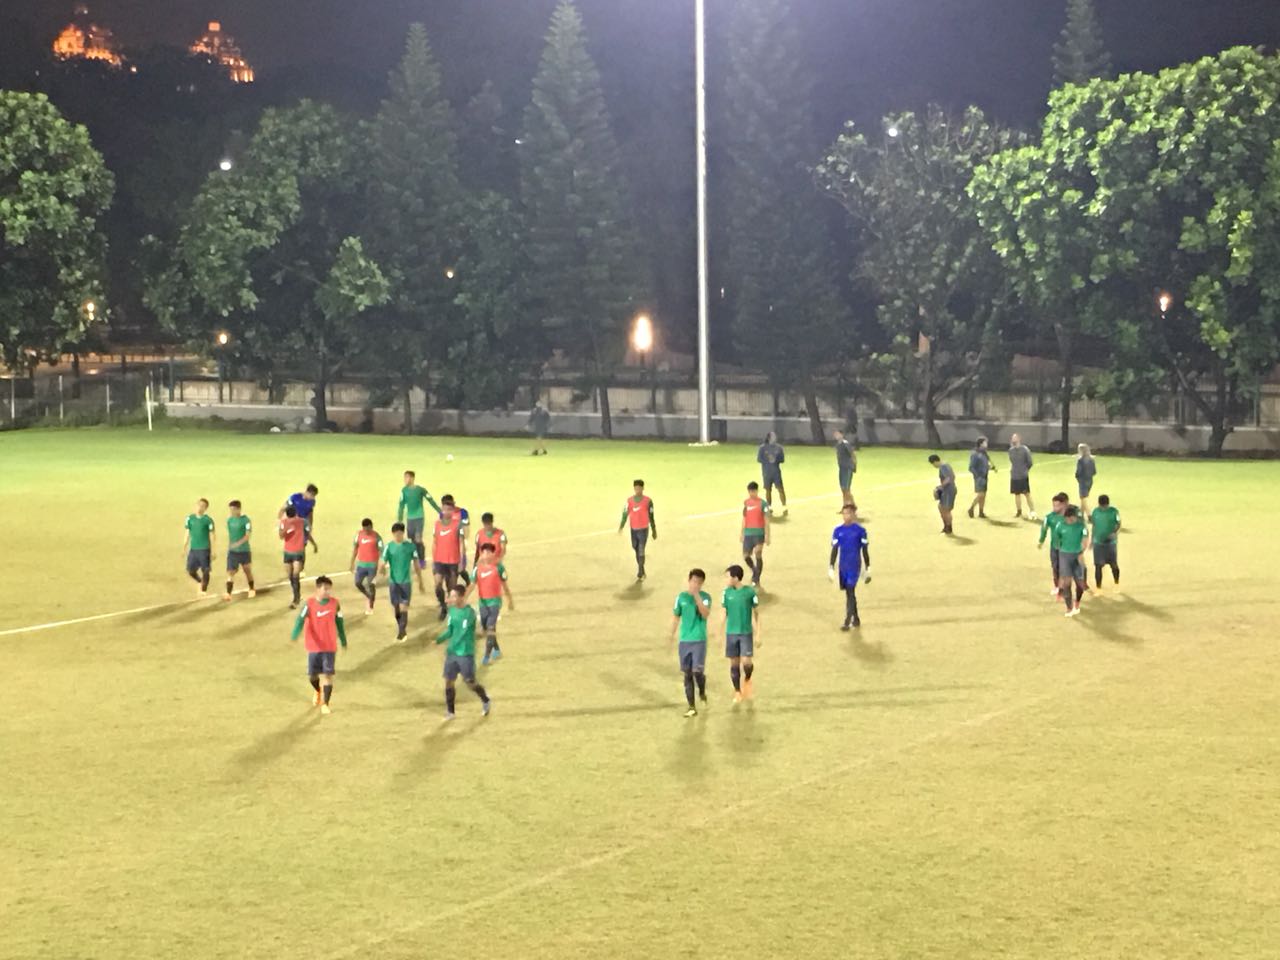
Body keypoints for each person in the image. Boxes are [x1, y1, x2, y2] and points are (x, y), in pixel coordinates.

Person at [289, 575, 347, 716]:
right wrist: (295, 635)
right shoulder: (309, 604)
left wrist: (343, 640)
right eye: (325, 589)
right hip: (314, 647)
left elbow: (339, 622)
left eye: (329, 589)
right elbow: (300, 620)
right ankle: (317, 690)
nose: (328, 592)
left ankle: (326, 704)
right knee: (312, 676)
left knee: (328, 675)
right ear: (318, 589)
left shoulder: (335, 604)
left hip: (329, 646)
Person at [435, 585, 492, 719]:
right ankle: (450, 711)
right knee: (449, 681)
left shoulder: (470, 613)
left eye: (454, 596)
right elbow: (450, 630)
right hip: (452, 653)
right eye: (450, 596)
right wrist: (438, 640)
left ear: (461, 597)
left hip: (465, 653)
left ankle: (485, 699)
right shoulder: (452, 612)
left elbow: (468, 631)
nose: (451, 599)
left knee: (470, 682)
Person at [669, 568, 712, 717]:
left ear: (702, 584)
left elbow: (705, 614)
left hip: (699, 640)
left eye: (699, 583)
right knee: (687, 674)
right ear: (689, 581)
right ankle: (691, 706)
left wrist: (697, 597)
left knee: (697, 672)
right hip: (685, 641)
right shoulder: (680, 597)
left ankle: (702, 690)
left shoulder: (706, 597)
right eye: (694, 581)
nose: (696, 585)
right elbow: (676, 616)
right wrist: (671, 634)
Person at [465, 542, 514, 665]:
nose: (486, 555)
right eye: (484, 552)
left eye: (488, 552)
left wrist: (510, 600)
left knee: (491, 627)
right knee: (487, 628)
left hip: (495, 602)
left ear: (493, 554)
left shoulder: (499, 568)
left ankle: (486, 656)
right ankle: (496, 649)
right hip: (483, 602)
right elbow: (472, 585)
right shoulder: (477, 569)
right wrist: (464, 597)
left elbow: (505, 586)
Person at [721, 564, 760, 704]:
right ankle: (737, 691)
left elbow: (756, 613)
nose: (726, 580)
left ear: (735, 578)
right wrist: (719, 632)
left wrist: (758, 634)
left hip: (745, 633)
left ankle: (748, 679)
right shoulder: (726, 593)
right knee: (734, 664)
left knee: (746, 662)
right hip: (731, 634)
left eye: (727, 577)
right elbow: (724, 612)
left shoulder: (749, 592)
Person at [829, 503, 870, 629]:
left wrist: (868, 567)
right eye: (844, 513)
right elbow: (835, 549)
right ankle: (856, 618)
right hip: (843, 566)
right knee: (849, 593)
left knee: (851, 591)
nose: (846, 516)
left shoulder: (860, 531)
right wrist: (831, 566)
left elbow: (864, 550)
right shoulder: (837, 531)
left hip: (854, 565)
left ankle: (847, 620)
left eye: (848, 513)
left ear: (853, 514)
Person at [397, 470, 440, 576]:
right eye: (404, 478)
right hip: (410, 519)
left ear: (412, 478)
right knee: (412, 541)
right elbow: (401, 505)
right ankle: (416, 558)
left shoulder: (420, 490)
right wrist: (400, 520)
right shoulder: (404, 491)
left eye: (407, 477)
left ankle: (422, 560)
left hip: (419, 517)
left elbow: (431, 500)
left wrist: (440, 511)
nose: (405, 480)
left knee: (418, 539)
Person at [380, 523, 417, 642]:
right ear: (393, 534)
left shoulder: (411, 546)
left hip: (406, 582)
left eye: (400, 533)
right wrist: (381, 568)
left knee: (404, 607)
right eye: (396, 534)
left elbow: (416, 563)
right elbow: (383, 560)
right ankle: (400, 626)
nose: (398, 536)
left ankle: (402, 632)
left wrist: (420, 579)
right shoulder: (389, 547)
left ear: (403, 533)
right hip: (393, 582)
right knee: (396, 607)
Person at [430, 498, 463, 619]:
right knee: (438, 585)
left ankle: (451, 609)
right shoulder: (437, 524)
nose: (446, 512)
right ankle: (443, 606)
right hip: (439, 560)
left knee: (451, 588)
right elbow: (434, 542)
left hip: (453, 561)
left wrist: (461, 561)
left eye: (449, 509)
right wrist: (434, 560)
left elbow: (461, 543)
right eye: (444, 509)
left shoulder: (457, 525)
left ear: (453, 511)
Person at [1056, 505, 1091, 617]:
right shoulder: (1060, 526)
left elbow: (1085, 541)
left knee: (1080, 584)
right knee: (1067, 583)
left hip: (1077, 556)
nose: (1073, 520)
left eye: (1074, 517)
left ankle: (1077, 603)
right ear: (1067, 518)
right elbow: (1057, 540)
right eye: (1071, 518)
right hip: (1065, 556)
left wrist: (1080, 553)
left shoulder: (1081, 527)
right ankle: (1069, 607)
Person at [619, 479, 657, 581]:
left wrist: (654, 530)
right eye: (636, 488)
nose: (637, 490)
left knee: (641, 550)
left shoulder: (648, 501)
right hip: (633, 529)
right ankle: (642, 569)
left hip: (643, 529)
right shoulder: (629, 501)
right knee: (635, 547)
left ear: (643, 488)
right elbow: (625, 513)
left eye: (639, 488)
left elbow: (651, 516)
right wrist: (621, 526)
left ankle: (640, 571)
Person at [1038, 492, 1070, 598]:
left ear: (1062, 505)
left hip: (1066, 548)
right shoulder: (1050, 517)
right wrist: (1041, 541)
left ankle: (1064, 588)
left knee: (1064, 569)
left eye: (1057, 505)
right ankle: (1057, 587)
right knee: (1055, 567)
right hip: (1054, 547)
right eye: (1053, 505)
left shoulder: (1069, 517)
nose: (1054, 508)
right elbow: (1044, 529)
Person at [349, 518, 384, 614]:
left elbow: (381, 551)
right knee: (357, 583)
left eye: (368, 529)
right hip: (361, 565)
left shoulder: (376, 536)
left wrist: (382, 564)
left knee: (371, 585)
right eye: (365, 529)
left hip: (372, 565)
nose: (366, 531)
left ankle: (371, 606)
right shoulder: (359, 535)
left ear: (371, 527)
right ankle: (369, 596)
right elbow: (355, 549)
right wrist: (352, 563)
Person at [183, 498, 216, 597]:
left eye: (202, 506)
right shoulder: (190, 519)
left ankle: (203, 590)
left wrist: (213, 550)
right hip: (193, 549)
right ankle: (200, 581)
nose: (200, 507)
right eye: (199, 505)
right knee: (190, 570)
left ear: (205, 508)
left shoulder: (208, 520)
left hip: (205, 549)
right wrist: (184, 546)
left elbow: (212, 535)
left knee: (206, 570)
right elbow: (187, 533)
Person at [741, 481, 771, 587]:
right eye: (750, 491)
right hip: (748, 533)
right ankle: (755, 571)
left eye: (753, 491)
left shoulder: (763, 503)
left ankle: (756, 578)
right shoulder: (746, 503)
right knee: (745, 555)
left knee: (758, 553)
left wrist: (767, 535)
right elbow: (744, 518)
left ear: (757, 491)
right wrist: (742, 533)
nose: (751, 493)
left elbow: (766, 520)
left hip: (759, 533)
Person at [224, 500, 255, 601]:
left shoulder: (246, 521)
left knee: (247, 570)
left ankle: (251, 589)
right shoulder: (229, 520)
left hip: (244, 551)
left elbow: (247, 536)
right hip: (233, 552)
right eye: (230, 509)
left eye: (233, 509)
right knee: (230, 572)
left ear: (239, 509)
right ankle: (228, 593)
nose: (231, 512)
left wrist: (238, 543)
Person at [1090, 494, 1121, 589]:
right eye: (1102, 506)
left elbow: (1118, 523)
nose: (1103, 508)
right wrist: (1092, 540)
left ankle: (1116, 583)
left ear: (1108, 504)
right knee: (1098, 566)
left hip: (1111, 543)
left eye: (1105, 506)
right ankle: (1098, 587)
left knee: (1113, 564)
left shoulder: (1114, 512)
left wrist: (1114, 532)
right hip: (1098, 543)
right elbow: (1094, 526)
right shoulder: (1095, 512)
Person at [279, 505, 307, 608]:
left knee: (295, 576)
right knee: (291, 576)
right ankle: (297, 595)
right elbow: (281, 536)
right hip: (288, 552)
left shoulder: (301, 522)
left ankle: (296, 599)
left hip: (297, 553)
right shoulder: (285, 523)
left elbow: (307, 532)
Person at [280, 484, 320, 553]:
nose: (313, 497)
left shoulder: (312, 502)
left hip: (302, 523)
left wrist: (310, 525)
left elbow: (310, 513)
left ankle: (298, 558)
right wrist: (280, 520)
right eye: (312, 495)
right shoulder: (295, 497)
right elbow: (283, 508)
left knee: (302, 542)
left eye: (314, 496)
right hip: (292, 523)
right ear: (307, 492)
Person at [444, 495, 473, 587]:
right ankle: (452, 589)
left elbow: (466, 529)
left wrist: (464, 541)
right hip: (448, 543)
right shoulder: (442, 514)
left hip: (460, 542)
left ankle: (466, 581)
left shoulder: (462, 512)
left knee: (460, 568)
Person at [757, 432, 788, 516]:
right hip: (766, 472)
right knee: (768, 490)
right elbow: (759, 459)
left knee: (780, 489)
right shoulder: (762, 448)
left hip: (776, 472)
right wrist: (768, 460)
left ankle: (784, 506)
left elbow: (782, 460)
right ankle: (769, 507)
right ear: (769, 438)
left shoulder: (779, 448)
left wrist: (775, 460)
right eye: (773, 436)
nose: (775, 438)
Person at [1008, 435, 1037, 520]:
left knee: (1026, 493)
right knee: (1016, 494)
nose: (1013, 440)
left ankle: (1032, 510)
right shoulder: (1011, 451)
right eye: (1012, 438)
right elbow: (1011, 461)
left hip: (1023, 475)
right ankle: (1019, 511)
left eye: (1015, 438)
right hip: (1014, 475)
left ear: (1019, 439)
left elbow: (1030, 462)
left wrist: (1025, 470)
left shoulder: (1024, 449)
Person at [967, 436, 995, 519]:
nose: (987, 444)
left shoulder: (984, 453)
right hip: (980, 477)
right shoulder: (975, 454)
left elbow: (985, 465)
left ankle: (981, 512)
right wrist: (977, 476)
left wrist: (990, 468)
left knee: (983, 495)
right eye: (985, 442)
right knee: (981, 494)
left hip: (985, 476)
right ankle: (971, 508)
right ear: (981, 444)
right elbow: (971, 467)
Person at [929, 454, 957, 535]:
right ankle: (946, 526)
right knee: (941, 507)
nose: (933, 466)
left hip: (949, 491)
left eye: (933, 464)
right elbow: (952, 476)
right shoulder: (945, 465)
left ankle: (948, 528)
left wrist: (940, 487)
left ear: (935, 462)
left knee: (946, 510)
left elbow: (949, 478)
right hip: (947, 490)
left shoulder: (943, 467)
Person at [834, 429, 857, 509]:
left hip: (847, 468)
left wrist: (854, 466)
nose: (836, 436)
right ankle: (845, 506)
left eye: (838, 434)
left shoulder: (845, 444)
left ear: (842, 435)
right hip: (841, 468)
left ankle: (853, 505)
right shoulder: (838, 445)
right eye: (835, 434)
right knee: (843, 488)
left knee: (847, 489)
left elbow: (852, 454)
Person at [1076, 443, 1097, 515]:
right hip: (1090, 481)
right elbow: (1094, 472)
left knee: (1083, 498)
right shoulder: (1092, 460)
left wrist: (1077, 478)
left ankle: (1089, 514)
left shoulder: (1080, 460)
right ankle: (1081, 513)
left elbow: (1078, 472)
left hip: (1082, 481)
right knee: (1083, 498)